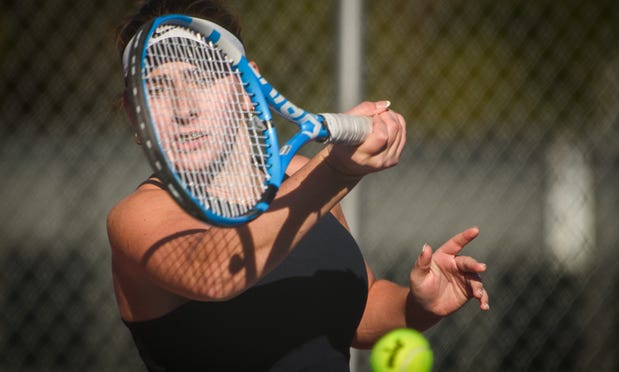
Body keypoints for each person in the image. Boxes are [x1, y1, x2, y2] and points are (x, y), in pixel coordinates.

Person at [108, 0, 490, 370]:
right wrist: (336, 171)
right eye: (156, 88)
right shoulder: (138, 216)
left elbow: (359, 310)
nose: (183, 107)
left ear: (247, 86)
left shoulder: (304, 177)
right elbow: (215, 273)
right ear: (133, 114)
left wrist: (417, 306)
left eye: (202, 77)